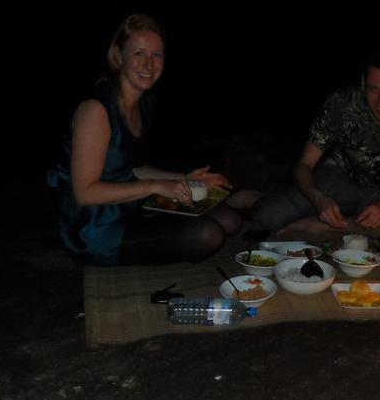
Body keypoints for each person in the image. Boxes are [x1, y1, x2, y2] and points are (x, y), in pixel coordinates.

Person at [49, 14, 245, 265]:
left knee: (230, 220)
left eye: (157, 55)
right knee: (207, 234)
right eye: (139, 53)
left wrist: (186, 179)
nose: (149, 65)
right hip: (93, 226)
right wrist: (155, 186)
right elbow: (85, 194)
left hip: (129, 202)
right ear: (119, 56)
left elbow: (133, 168)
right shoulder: (95, 110)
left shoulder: (143, 103)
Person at [249, 51, 380, 240]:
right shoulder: (341, 103)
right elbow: (303, 165)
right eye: (373, 89)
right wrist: (319, 199)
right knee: (265, 218)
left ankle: (322, 227)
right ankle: (257, 198)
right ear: (362, 84)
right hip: (340, 181)